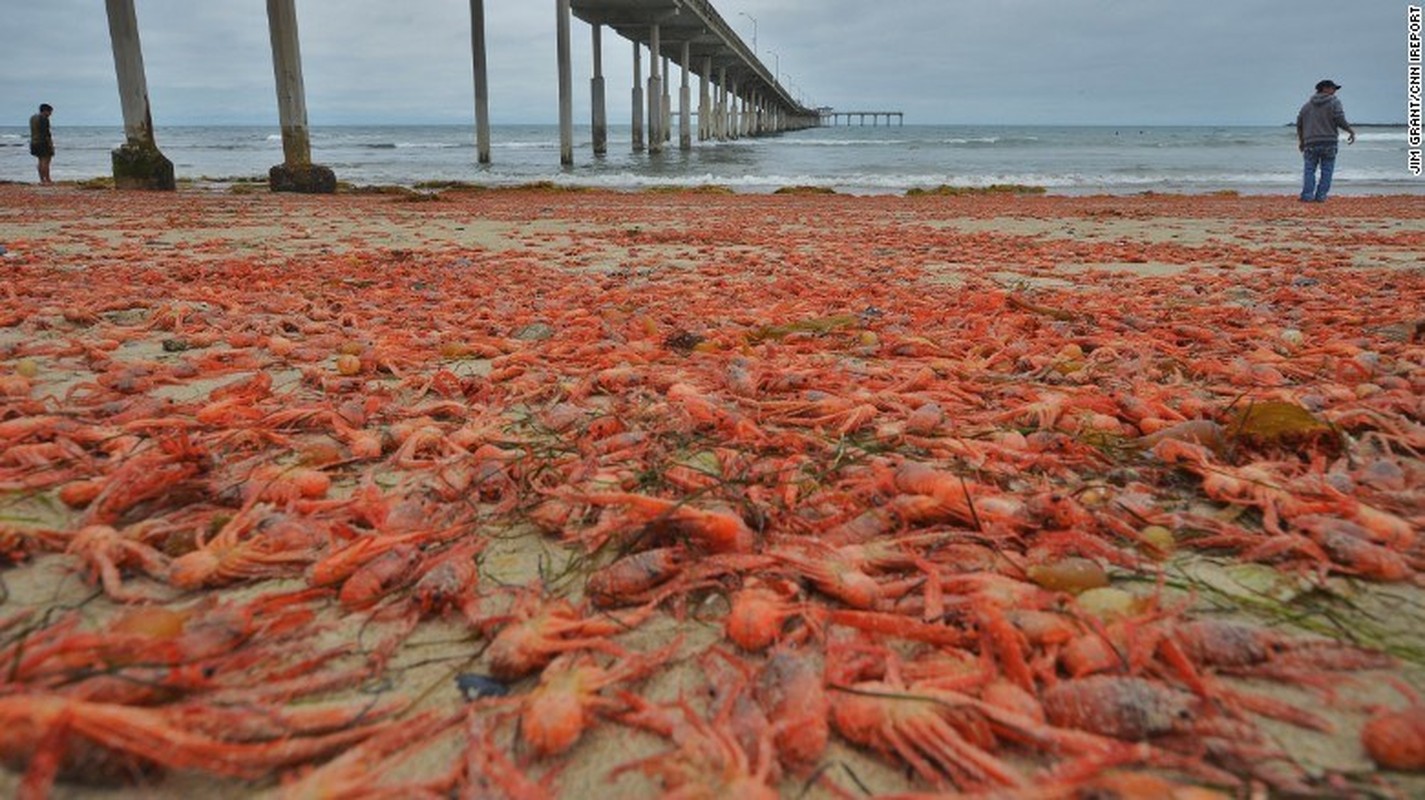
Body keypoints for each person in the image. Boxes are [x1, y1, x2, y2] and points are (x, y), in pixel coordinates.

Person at [1296, 80, 1355, 202]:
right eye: (1333, 89)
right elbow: (1339, 118)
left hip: (1310, 143)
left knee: (1309, 170)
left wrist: (1302, 141)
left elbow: (1299, 125)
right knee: (1327, 170)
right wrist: (1349, 130)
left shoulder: (1306, 106)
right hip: (1329, 142)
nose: (1335, 92)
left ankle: (1307, 196)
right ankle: (1321, 196)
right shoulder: (1334, 102)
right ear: (1325, 88)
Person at [28, 103, 55, 185]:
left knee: (40, 161)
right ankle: (47, 180)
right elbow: (46, 133)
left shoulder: (32, 118)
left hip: (34, 142)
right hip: (43, 142)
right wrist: (50, 145)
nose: (50, 114)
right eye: (50, 112)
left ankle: (42, 180)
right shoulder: (44, 119)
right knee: (46, 161)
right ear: (45, 111)